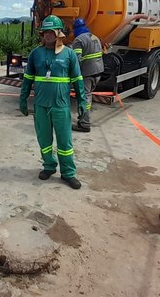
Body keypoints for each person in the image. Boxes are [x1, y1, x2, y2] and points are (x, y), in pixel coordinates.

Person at [19, 15, 86, 189]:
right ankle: (49, 166)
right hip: (41, 105)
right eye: (44, 32)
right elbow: (27, 78)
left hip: (61, 106)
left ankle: (68, 173)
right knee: (44, 140)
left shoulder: (69, 54)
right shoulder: (36, 54)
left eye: (51, 32)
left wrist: (81, 101)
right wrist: (23, 98)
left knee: (65, 143)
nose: (47, 35)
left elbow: (78, 79)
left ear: (59, 33)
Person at [71, 18, 104, 133]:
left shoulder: (78, 40)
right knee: (88, 96)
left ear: (75, 29)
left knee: (84, 98)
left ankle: (84, 124)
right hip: (98, 71)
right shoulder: (94, 37)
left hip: (87, 73)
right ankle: (83, 119)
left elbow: (76, 60)